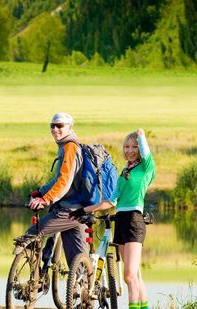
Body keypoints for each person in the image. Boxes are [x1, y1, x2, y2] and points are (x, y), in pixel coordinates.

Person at [70, 128, 155, 309]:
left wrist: (140, 135)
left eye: (134, 147)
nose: (129, 150)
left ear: (140, 149)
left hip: (134, 221)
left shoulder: (146, 167)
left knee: (129, 276)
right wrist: (83, 210)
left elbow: (146, 150)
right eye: (126, 147)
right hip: (121, 221)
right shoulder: (125, 170)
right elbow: (111, 201)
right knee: (136, 274)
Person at [13, 112, 88, 267]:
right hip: (79, 208)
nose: (55, 129)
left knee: (32, 233)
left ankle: (34, 280)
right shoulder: (66, 146)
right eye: (52, 126)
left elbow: (64, 180)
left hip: (70, 209)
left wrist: (46, 199)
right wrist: (42, 191)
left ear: (70, 128)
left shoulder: (70, 147)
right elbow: (58, 178)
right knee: (78, 262)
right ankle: (83, 289)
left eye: (59, 125)